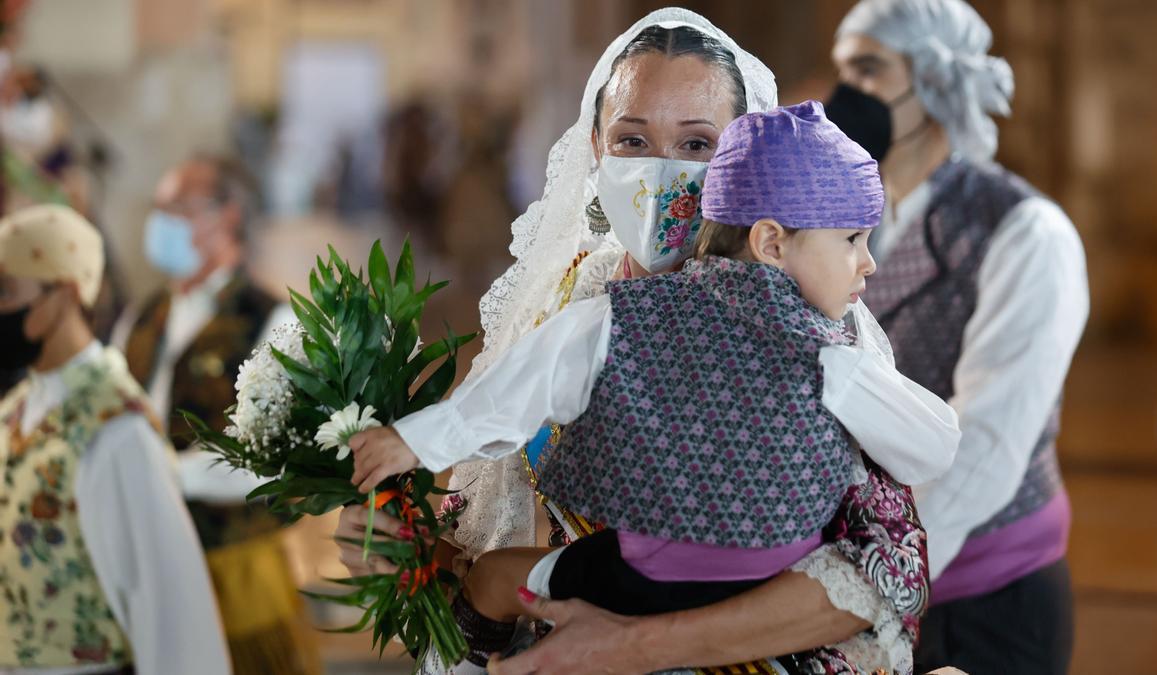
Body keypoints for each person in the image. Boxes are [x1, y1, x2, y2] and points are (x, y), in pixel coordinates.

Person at [341, 10, 938, 674]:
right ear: (595, 146)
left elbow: (889, 567)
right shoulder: (567, 302)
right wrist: (413, 543)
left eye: (696, 145)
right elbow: (488, 503)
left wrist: (633, 644)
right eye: (633, 140)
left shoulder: (812, 320)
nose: (661, 175)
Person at [824, 1, 1089, 672]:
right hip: (852, 582)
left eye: (870, 69)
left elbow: (984, 453)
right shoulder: (837, 223)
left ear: (937, 80)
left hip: (985, 602)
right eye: (841, 71)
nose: (845, 95)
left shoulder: (1025, 233)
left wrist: (860, 586)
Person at [111, 156, 319, 675]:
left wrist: (164, 473)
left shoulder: (276, 319)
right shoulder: (143, 314)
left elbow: (269, 461)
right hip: (147, 556)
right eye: (159, 208)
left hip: (234, 565)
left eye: (177, 208)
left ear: (226, 216)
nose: (160, 222)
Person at [0, 204, 229, 675]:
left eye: (4, 290)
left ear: (63, 294)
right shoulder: (14, 411)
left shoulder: (116, 431)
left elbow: (172, 617)